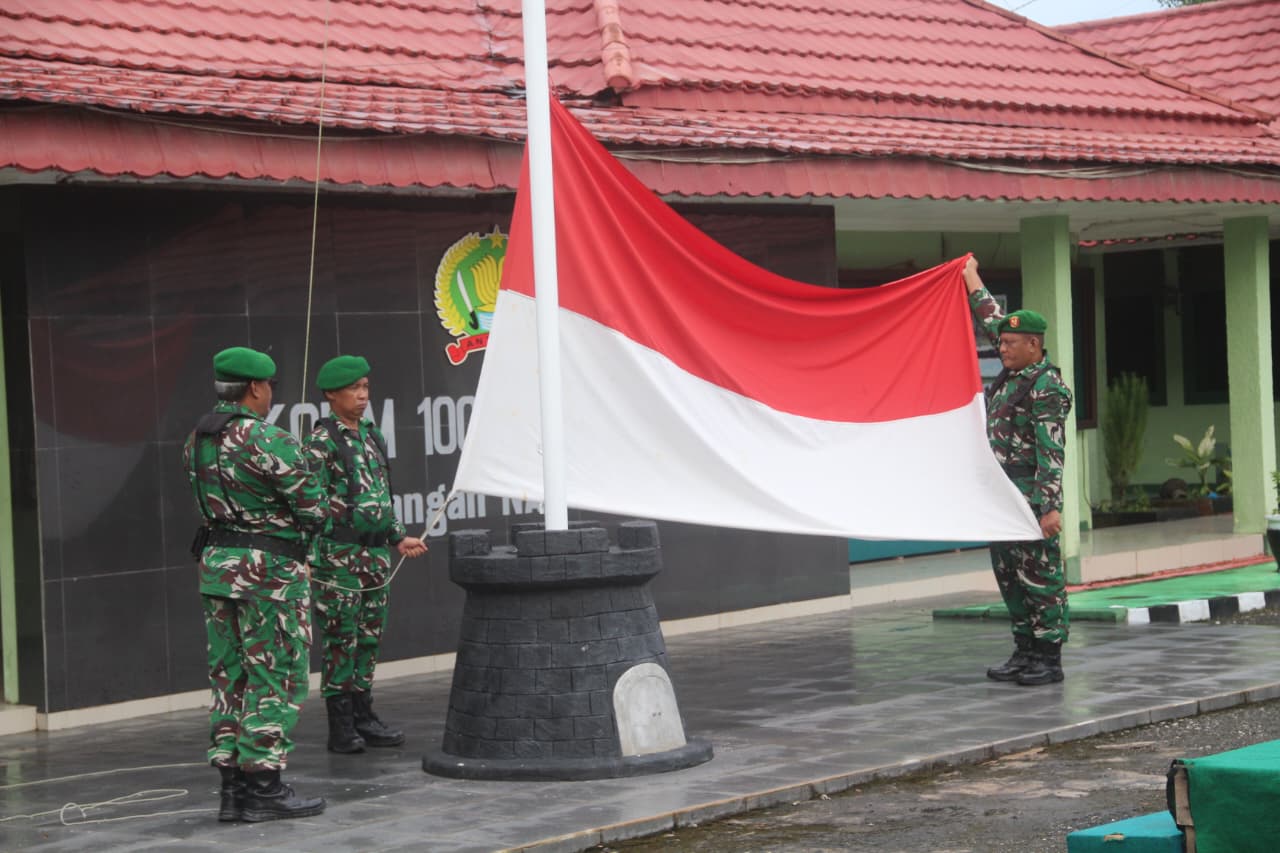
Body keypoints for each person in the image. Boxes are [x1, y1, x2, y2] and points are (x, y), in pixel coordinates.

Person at [183, 346, 328, 822]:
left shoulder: (197, 439)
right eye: (268, 388)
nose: (269, 395)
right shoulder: (266, 438)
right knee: (276, 675)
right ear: (255, 388)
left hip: (218, 570)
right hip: (269, 577)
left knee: (230, 677)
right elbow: (315, 509)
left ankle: (232, 789)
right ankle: (263, 786)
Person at [303, 355, 427, 754]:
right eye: (353, 389)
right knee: (341, 639)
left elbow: (379, 498)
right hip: (338, 557)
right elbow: (309, 503)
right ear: (330, 395)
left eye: (366, 388)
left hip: (374, 557)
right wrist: (305, 553)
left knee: (369, 638)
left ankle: (363, 715)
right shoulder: (321, 442)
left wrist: (396, 537)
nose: (362, 396)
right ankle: (340, 726)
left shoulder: (372, 436)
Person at [963, 257, 1074, 686]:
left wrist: (1049, 507)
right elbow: (991, 318)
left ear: (1033, 344)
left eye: (1010, 343)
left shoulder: (1046, 387)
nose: (1001, 347)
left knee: (1040, 577)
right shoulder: (1014, 371)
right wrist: (970, 274)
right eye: (1001, 341)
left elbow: (1052, 453)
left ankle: (1049, 657)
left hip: (1031, 496)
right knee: (1009, 574)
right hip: (1002, 494)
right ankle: (1025, 649)